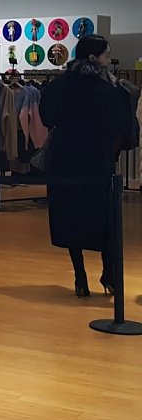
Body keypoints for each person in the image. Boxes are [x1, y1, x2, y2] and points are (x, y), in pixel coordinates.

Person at [40, 35, 133, 297]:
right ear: (94, 57)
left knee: (70, 216)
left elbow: (47, 116)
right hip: (97, 159)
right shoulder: (108, 88)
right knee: (104, 217)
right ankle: (108, 274)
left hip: (64, 159)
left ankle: (80, 277)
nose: (109, 60)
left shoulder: (59, 85)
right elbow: (119, 125)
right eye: (106, 55)